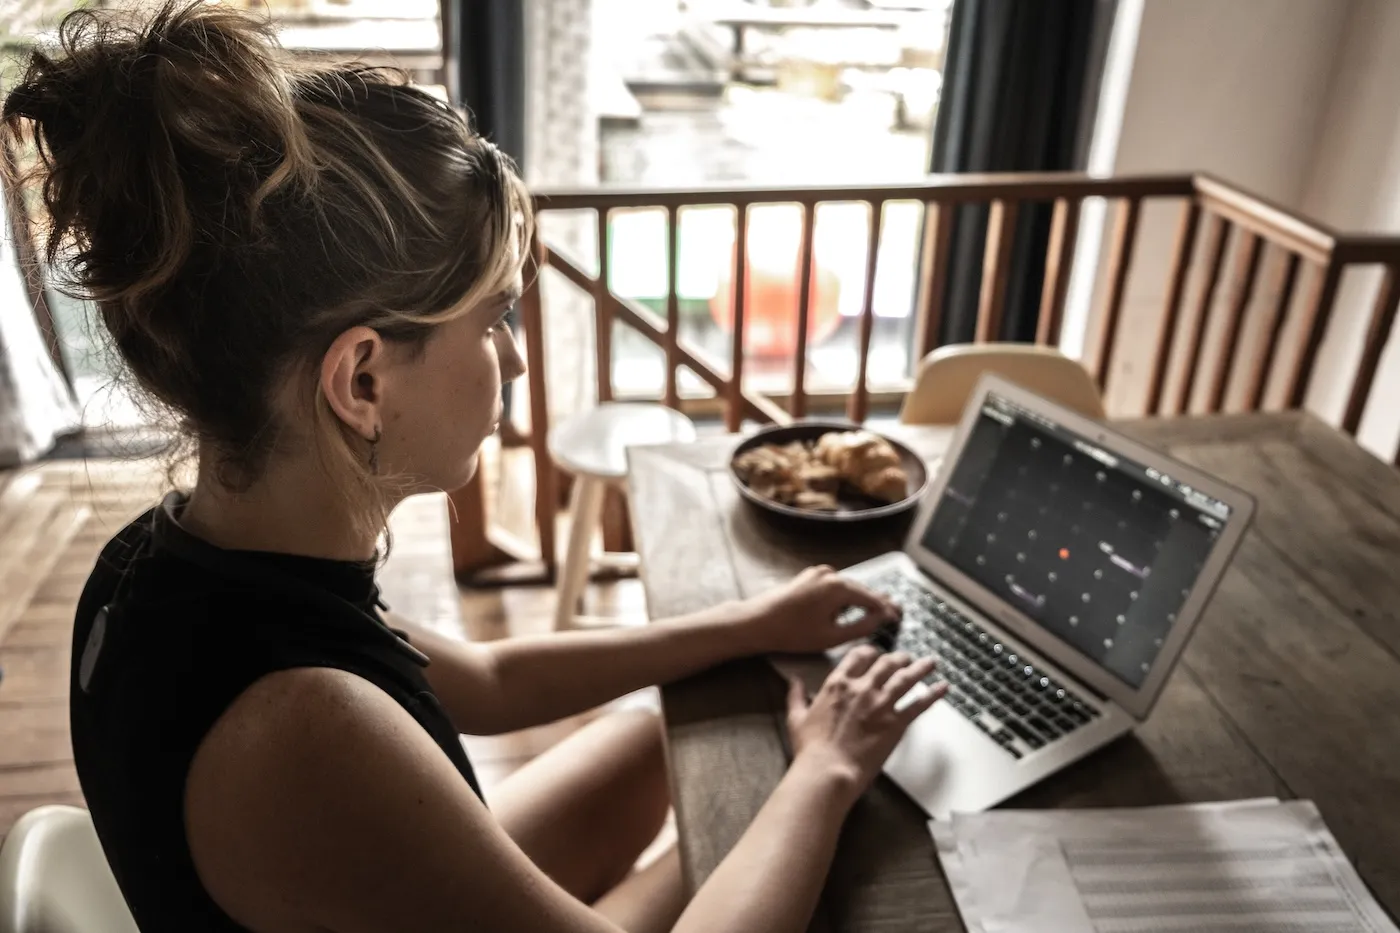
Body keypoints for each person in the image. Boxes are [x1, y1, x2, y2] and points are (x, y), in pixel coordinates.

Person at [2, 3, 947, 932]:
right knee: (788, 817)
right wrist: (828, 769)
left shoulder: (167, 563)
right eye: (494, 317)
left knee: (683, 736)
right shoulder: (302, 723)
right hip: (325, 825)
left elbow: (487, 679)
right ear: (362, 378)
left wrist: (751, 622)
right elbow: (359, 722)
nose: (519, 358)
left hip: (331, 866)